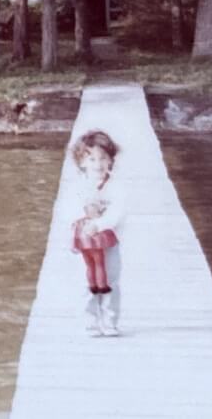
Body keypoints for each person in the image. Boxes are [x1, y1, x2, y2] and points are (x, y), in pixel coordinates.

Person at [67, 129, 126, 336]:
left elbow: (119, 212)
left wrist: (100, 224)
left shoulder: (116, 186)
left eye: (103, 158)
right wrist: (82, 220)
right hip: (85, 240)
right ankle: (90, 321)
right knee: (87, 279)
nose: (98, 164)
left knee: (109, 278)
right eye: (91, 159)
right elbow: (70, 210)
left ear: (110, 160)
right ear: (82, 162)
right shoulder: (77, 186)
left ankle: (110, 321)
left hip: (108, 240)